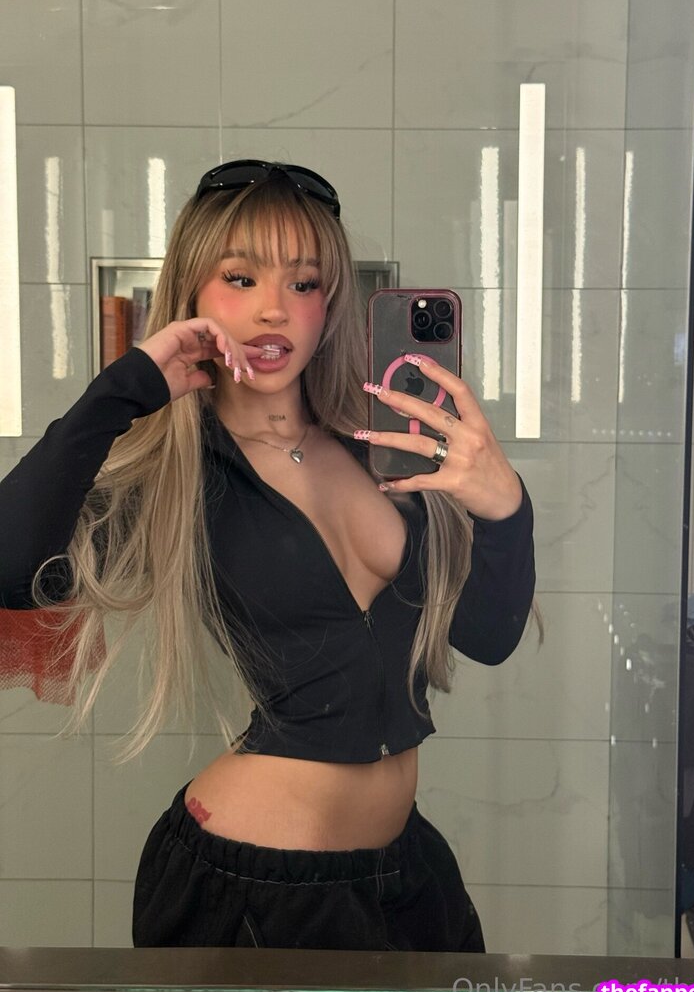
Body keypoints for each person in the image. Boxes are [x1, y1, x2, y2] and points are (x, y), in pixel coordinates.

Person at [0, 160, 539, 951]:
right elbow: (11, 570)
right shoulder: (176, 473)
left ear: (330, 302)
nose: (273, 308)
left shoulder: (382, 449)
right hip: (250, 888)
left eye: (303, 282)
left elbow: (486, 636)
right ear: (193, 291)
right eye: (240, 277)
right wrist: (125, 388)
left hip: (407, 873)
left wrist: (506, 507)